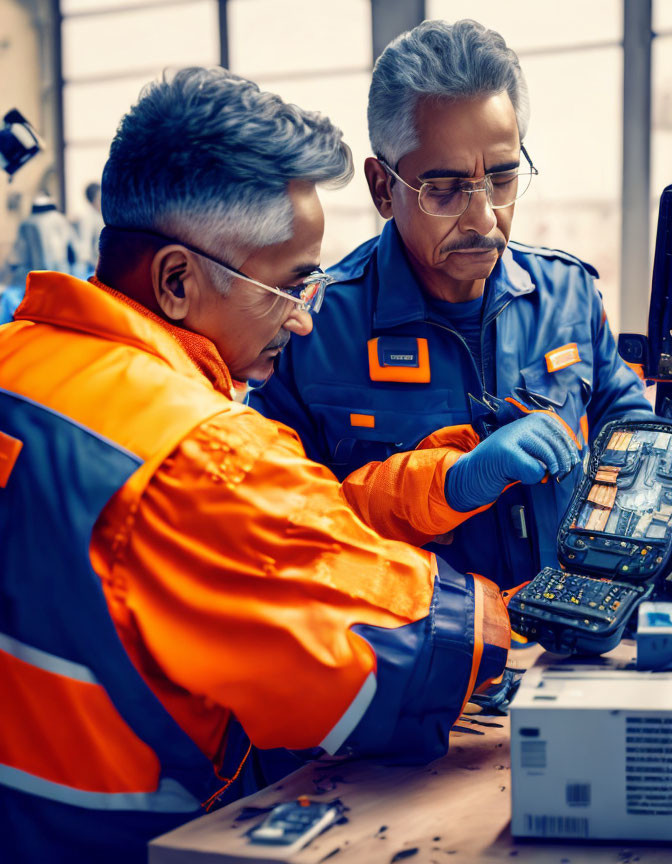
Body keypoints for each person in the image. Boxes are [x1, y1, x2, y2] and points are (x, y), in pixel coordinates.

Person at [0, 67, 511, 864]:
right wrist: (526, 620)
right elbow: (418, 652)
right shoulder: (203, 452)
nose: (305, 320)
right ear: (177, 280)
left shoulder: (17, 359)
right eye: (290, 285)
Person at [251, 19, 653, 587]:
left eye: (503, 179)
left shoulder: (569, 295)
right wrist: (455, 482)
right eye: (443, 189)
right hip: (420, 663)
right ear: (382, 189)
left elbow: (631, 430)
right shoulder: (309, 333)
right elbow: (278, 534)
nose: (484, 218)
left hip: (566, 651)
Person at [1, 193, 80, 322]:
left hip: (35, 282)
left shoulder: (27, 223)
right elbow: (74, 251)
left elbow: (16, 257)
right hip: (62, 277)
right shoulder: (60, 219)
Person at [77, 180, 104, 273]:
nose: (102, 202)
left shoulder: (102, 215)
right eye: (99, 199)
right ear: (92, 201)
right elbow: (85, 245)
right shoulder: (87, 219)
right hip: (95, 266)